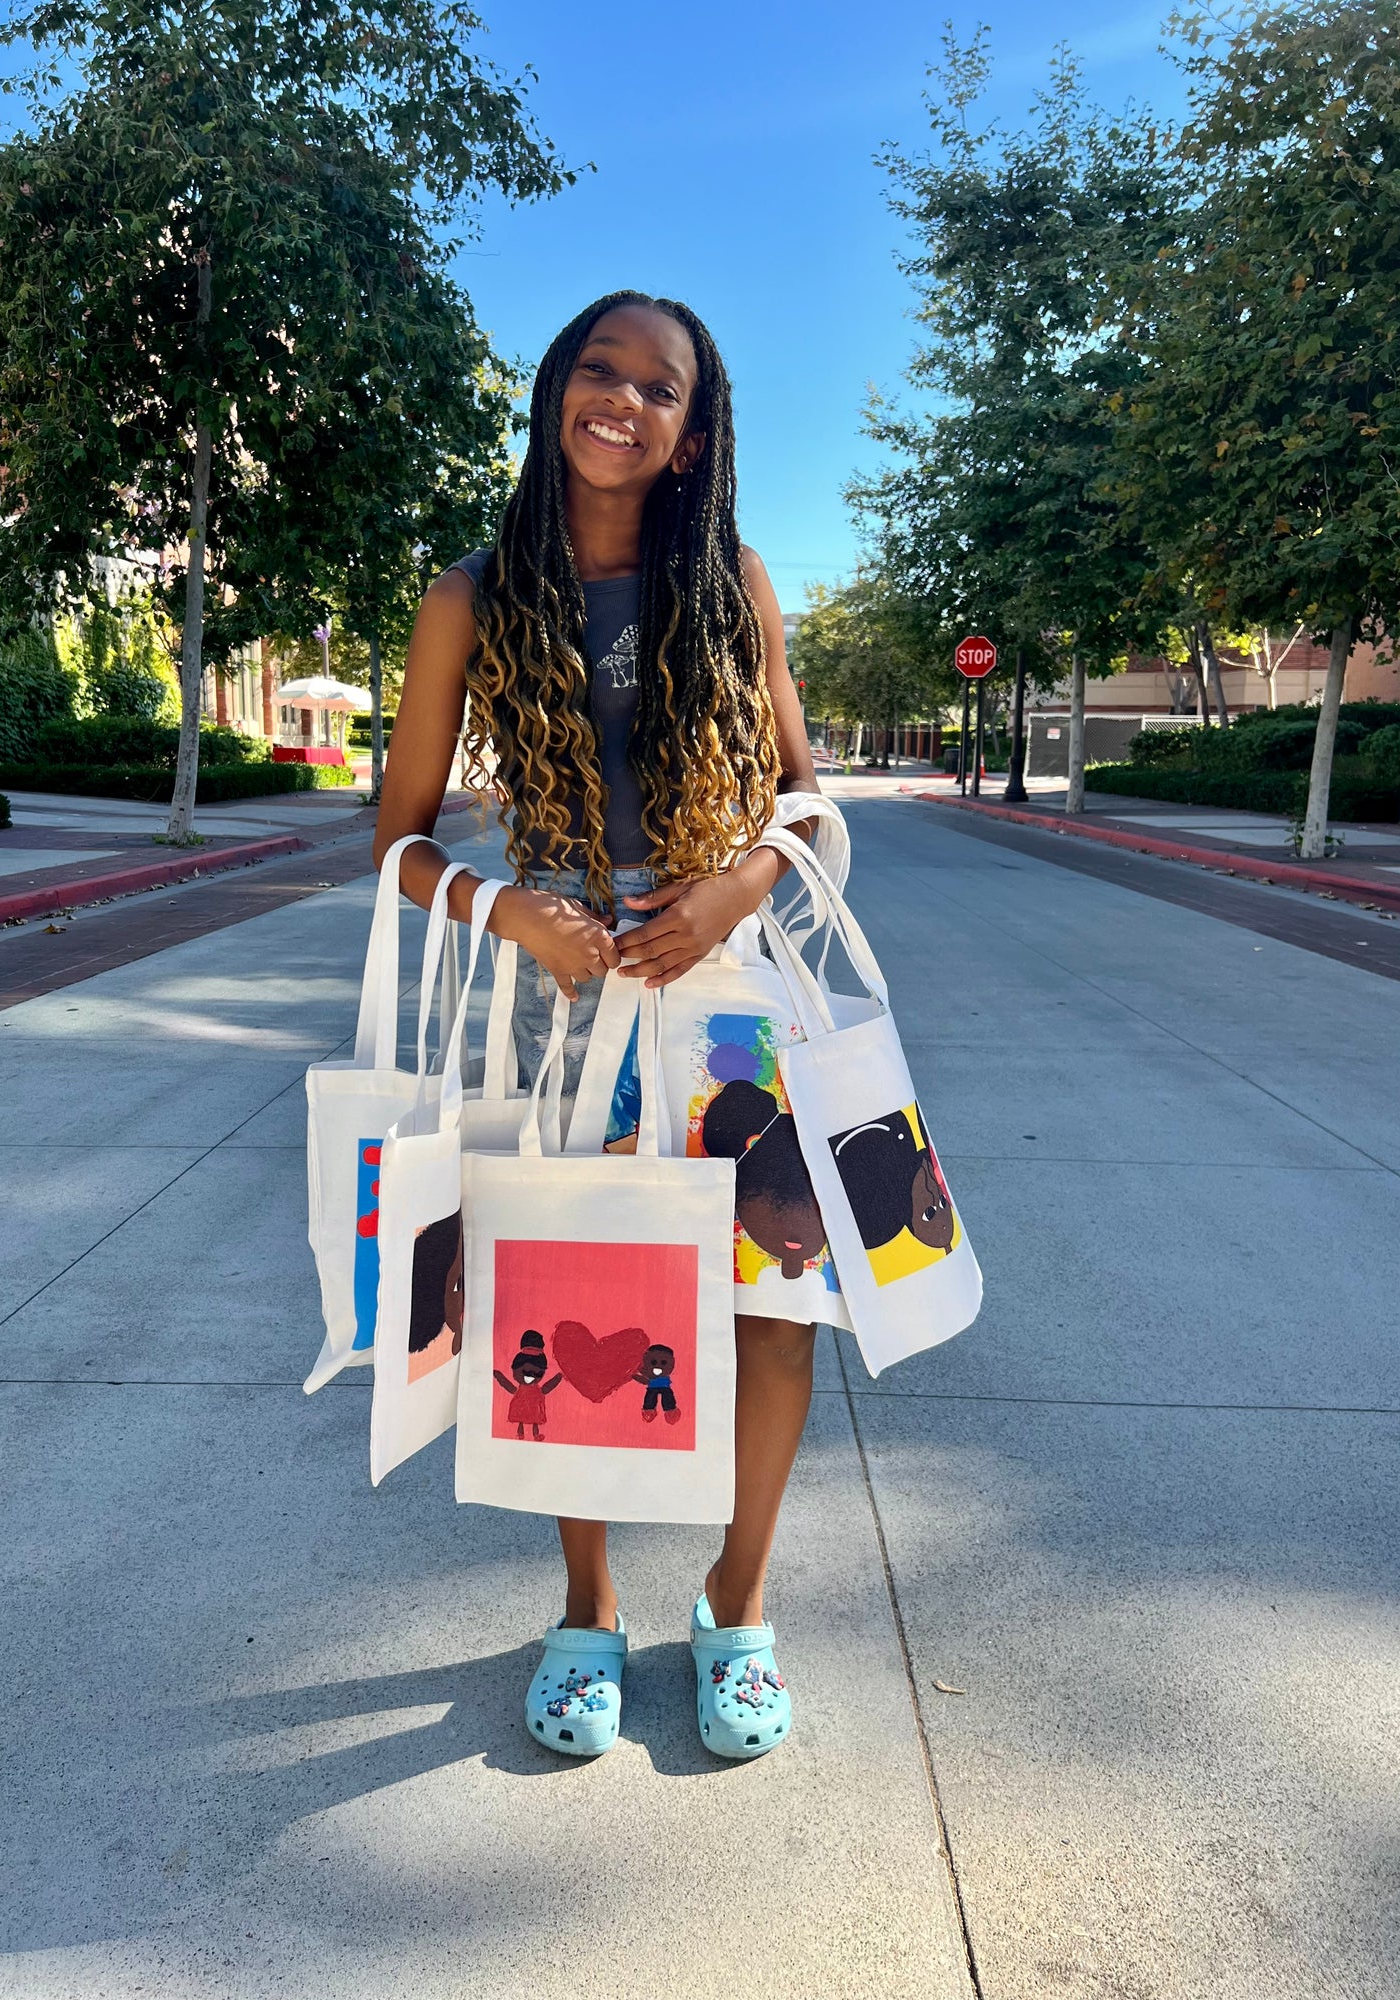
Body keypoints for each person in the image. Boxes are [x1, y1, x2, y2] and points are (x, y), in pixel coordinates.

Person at [373, 289, 819, 1762]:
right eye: (600, 369)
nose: (623, 398)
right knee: (568, 1311)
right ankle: (586, 1610)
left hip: (726, 992)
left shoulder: (731, 580)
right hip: (560, 1004)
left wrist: (735, 884)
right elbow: (395, 840)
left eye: (661, 387)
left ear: (694, 434)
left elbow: (812, 804)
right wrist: (508, 910)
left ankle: (737, 1608)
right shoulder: (471, 595)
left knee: (772, 1306)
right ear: (558, 383)